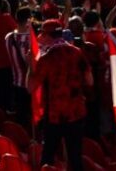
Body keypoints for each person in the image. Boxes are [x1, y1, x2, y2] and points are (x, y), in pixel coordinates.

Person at [29, 21, 92, 170]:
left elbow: (30, 87)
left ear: (47, 35)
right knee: (75, 157)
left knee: (48, 157)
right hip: (76, 113)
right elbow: (90, 81)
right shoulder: (77, 52)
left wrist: (30, 67)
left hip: (54, 116)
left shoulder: (46, 59)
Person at [4, 6, 33, 126]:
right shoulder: (31, 40)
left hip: (16, 82)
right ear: (28, 20)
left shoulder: (8, 37)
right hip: (29, 84)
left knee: (21, 116)